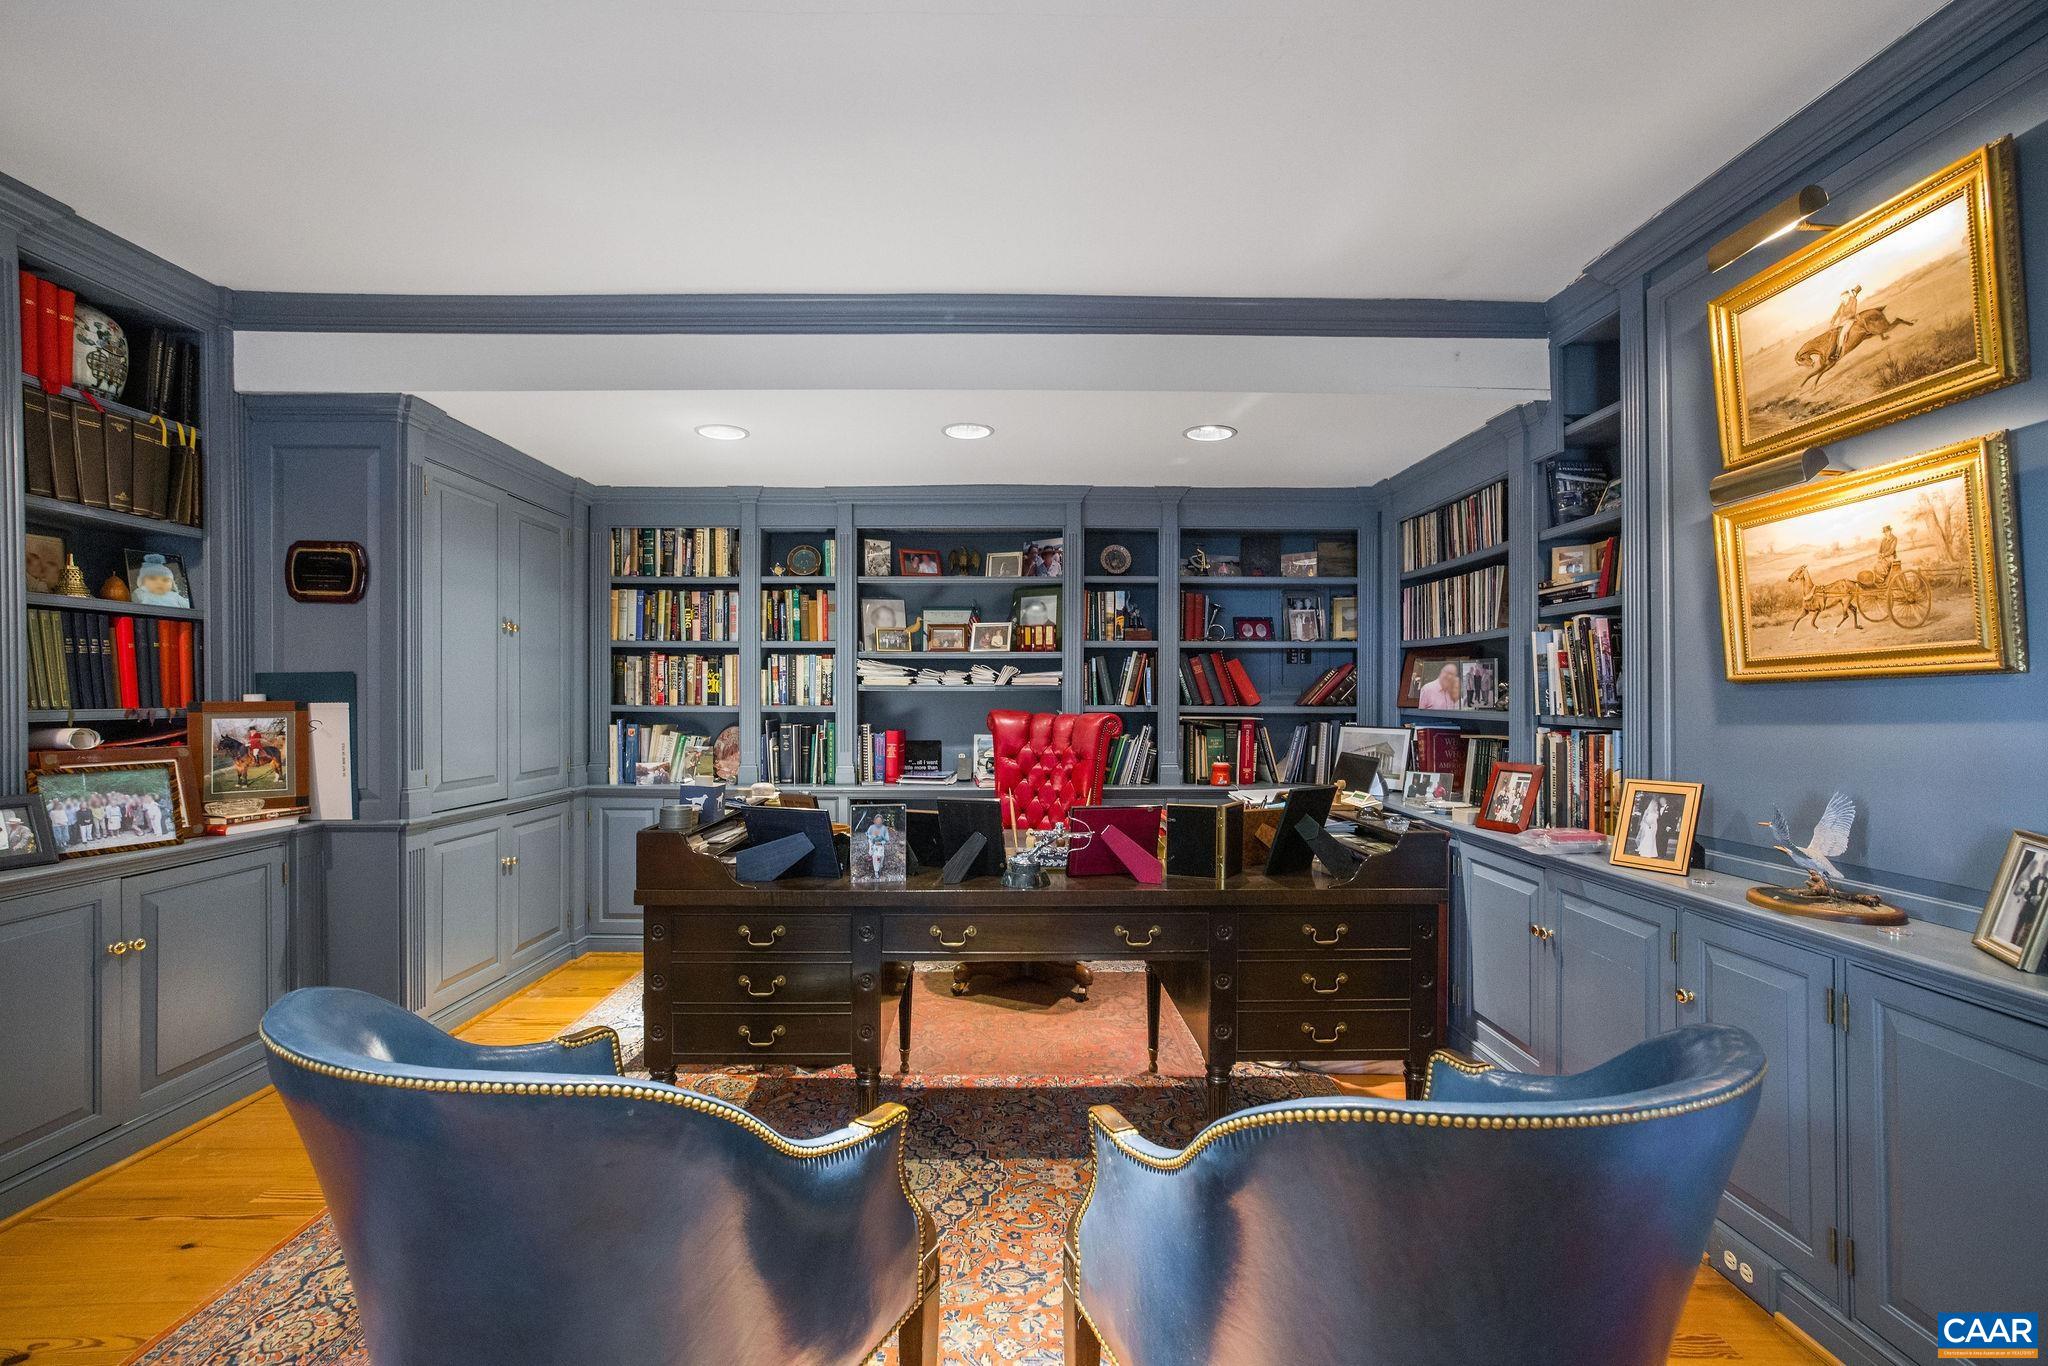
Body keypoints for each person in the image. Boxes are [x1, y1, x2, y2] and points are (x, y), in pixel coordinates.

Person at [1829, 284, 1863, 362]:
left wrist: (1844, 319)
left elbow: (1852, 312)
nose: (1842, 299)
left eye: (1843, 297)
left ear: (1847, 295)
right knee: (1833, 332)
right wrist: (1833, 320)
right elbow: (1837, 312)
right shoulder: (1843, 303)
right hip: (1842, 321)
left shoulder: (1853, 300)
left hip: (1850, 320)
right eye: (1853, 291)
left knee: (1842, 335)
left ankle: (1837, 354)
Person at [862, 811, 893, 882]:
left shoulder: (884, 828)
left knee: (881, 857)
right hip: (874, 845)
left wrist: (881, 842)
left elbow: (887, 839)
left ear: (882, 821)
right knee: (876, 857)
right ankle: (876, 872)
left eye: (880, 820)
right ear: (874, 821)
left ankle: (880, 867)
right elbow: (868, 834)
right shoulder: (871, 827)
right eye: (877, 820)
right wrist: (871, 837)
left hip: (881, 846)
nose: (878, 821)